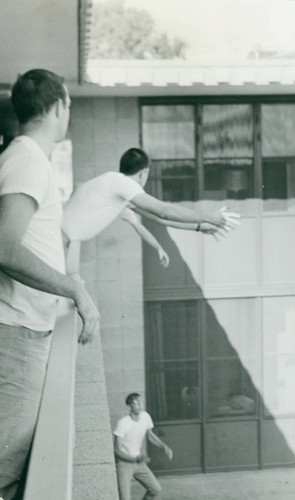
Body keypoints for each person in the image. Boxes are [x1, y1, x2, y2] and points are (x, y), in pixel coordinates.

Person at [0, 69, 100, 500]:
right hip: (18, 331)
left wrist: (67, 274)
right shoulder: (26, 159)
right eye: (69, 107)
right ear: (59, 106)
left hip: (25, 328)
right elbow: (5, 247)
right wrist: (74, 289)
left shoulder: (23, 157)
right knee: (5, 467)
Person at [62, 147, 240, 273]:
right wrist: (210, 218)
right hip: (61, 241)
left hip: (66, 241)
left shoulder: (114, 191)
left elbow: (157, 220)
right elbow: (163, 211)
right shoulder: (122, 184)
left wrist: (199, 227)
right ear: (143, 172)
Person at [114, 393, 172, 500]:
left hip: (138, 462)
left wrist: (164, 446)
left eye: (140, 401)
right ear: (130, 406)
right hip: (124, 464)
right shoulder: (123, 423)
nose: (140, 404)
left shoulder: (145, 416)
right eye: (136, 402)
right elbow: (116, 451)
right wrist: (133, 459)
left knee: (155, 489)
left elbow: (150, 435)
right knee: (125, 498)